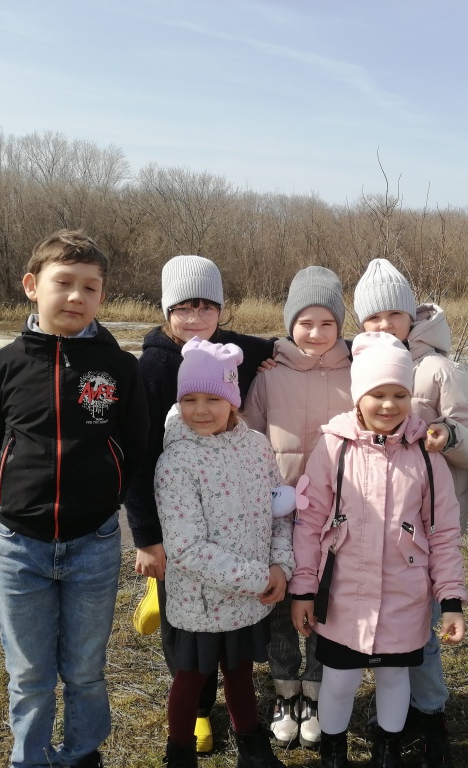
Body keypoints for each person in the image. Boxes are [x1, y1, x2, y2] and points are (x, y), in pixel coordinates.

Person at [0, 229, 148, 768]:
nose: (76, 296)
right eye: (64, 283)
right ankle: (29, 759)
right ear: (32, 286)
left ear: (102, 296)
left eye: (90, 287)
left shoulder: (120, 369)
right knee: (28, 673)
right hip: (18, 546)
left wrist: (110, 502)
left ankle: (80, 755)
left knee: (85, 670)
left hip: (93, 543)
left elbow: (136, 447)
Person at [290, 332, 468, 768]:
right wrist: (303, 590)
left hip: (404, 595)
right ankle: (333, 752)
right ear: (358, 397)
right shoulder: (334, 446)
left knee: (393, 677)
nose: (389, 405)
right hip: (343, 594)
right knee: (339, 681)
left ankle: (388, 751)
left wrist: (450, 600)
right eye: (378, 394)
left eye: (400, 395)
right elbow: (310, 523)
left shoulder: (426, 454)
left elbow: (443, 531)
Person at [125, 254, 274, 753]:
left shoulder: (227, 352)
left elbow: (273, 344)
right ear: (166, 311)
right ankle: (199, 715)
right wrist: (148, 538)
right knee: (186, 643)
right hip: (174, 515)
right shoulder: (153, 366)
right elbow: (139, 458)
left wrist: (287, 352)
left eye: (206, 307)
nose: (195, 318)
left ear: (220, 311)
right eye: (183, 308)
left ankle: (243, 736)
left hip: (228, 521)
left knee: (232, 657)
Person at [353, 257, 468, 766]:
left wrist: (449, 436)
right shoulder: (359, 364)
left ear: (411, 315)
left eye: (394, 314)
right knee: (384, 629)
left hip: (430, 530)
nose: (384, 325)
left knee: (422, 634)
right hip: (374, 529)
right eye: (372, 317)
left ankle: (432, 718)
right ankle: (400, 711)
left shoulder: (439, 369)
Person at [155, 337, 294, 768]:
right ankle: (180, 756)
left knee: (240, 672)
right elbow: (185, 547)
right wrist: (259, 578)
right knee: (191, 679)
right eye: (189, 399)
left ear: (232, 400)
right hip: (200, 602)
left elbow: (278, 511)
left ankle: (252, 747)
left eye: (213, 399)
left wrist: (280, 564)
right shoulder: (176, 461)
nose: (200, 410)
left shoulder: (256, 447)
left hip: (249, 598)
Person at [243, 266, 354, 750]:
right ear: (290, 324)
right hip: (280, 514)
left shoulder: (357, 371)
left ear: (340, 326)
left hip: (336, 515)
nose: (316, 333)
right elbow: (247, 437)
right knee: (281, 603)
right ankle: (285, 691)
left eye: (327, 323)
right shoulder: (270, 375)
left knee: (325, 604)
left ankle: (316, 691)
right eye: (305, 322)